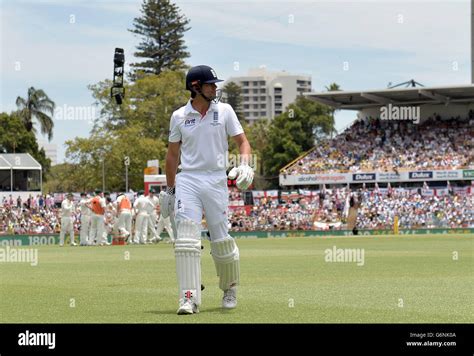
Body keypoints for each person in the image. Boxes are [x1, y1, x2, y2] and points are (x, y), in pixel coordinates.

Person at [160, 65, 254, 315]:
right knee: (186, 238)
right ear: (195, 87)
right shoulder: (179, 116)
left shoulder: (224, 111)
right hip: (188, 179)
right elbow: (172, 155)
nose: (215, 87)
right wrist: (170, 190)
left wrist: (244, 165)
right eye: (210, 84)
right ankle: (189, 298)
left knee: (221, 240)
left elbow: (243, 142)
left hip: (215, 179)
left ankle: (229, 287)